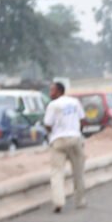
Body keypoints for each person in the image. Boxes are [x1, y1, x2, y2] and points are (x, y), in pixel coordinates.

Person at [43, 82, 87, 213]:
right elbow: (83, 120)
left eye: (52, 91)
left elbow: (47, 124)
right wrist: (77, 132)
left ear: (59, 91)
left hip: (58, 140)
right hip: (75, 138)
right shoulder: (74, 102)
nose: (50, 93)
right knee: (78, 172)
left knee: (56, 172)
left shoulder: (53, 105)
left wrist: (53, 131)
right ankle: (80, 200)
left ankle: (58, 202)